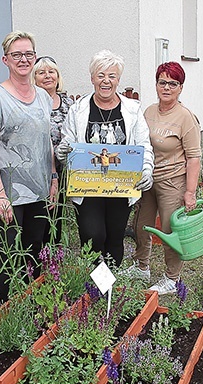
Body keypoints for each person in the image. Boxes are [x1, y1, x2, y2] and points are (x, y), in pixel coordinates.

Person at [0, 31, 57, 307]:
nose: (23, 60)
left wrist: (54, 178)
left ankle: (26, 307)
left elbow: (46, 141)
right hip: (7, 193)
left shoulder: (44, 98)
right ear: (6, 60)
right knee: (7, 255)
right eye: (17, 55)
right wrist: (0, 195)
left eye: (28, 54)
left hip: (38, 189)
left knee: (34, 253)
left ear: (35, 57)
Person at [56, 50, 154, 267]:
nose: (106, 81)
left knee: (114, 237)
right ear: (92, 78)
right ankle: (93, 283)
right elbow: (68, 142)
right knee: (92, 236)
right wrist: (63, 153)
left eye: (112, 76)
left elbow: (143, 145)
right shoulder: (78, 109)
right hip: (87, 187)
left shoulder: (132, 109)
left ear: (118, 79)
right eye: (100, 75)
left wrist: (146, 169)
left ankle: (109, 291)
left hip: (121, 186)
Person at [126, 61, 201, 294]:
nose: (166, 87)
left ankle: (172, 278)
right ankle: (141, 266)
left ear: (180, 88)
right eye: (162, 82)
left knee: (170, 231)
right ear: (156, 84)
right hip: (149, 179)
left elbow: (194, 158)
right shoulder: (148, 111)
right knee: (142, 225)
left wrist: (190, 192)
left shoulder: (185, 118)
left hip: (173, 182)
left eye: (173, 83)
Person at [31, 55, 74, 244]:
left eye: (51, 71)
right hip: (38, 168)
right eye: (41, 72)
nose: (47, 76)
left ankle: (53, 253)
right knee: (40, 212)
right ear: (34, 78)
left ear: (58, 76)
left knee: (57, 210)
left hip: (63, 167)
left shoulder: (69, 104)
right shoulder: (31, 103)